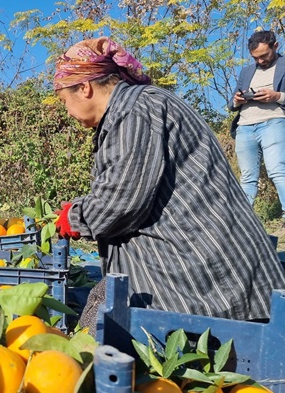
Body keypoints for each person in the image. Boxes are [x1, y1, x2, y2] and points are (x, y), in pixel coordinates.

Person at [53, 37, 285, 336]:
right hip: (195, 253)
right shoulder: (137, 106)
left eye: (64, 102)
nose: (68, 112)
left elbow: (122, 202)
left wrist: (76, 217)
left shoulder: (135, 111)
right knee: (99, 314)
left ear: (84, 88)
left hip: (203, 271)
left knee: (100, 338)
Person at [228, 30, 285, 217]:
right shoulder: (246, 71)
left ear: (276, 46)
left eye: (264, 56)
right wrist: (237, 99)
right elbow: (231, 104)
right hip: (245, 127)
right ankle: (243, 223)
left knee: (277, 171)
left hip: (274, 122)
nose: (260, 61)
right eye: (255, 58)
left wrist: (277, 96)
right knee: (247, 178)